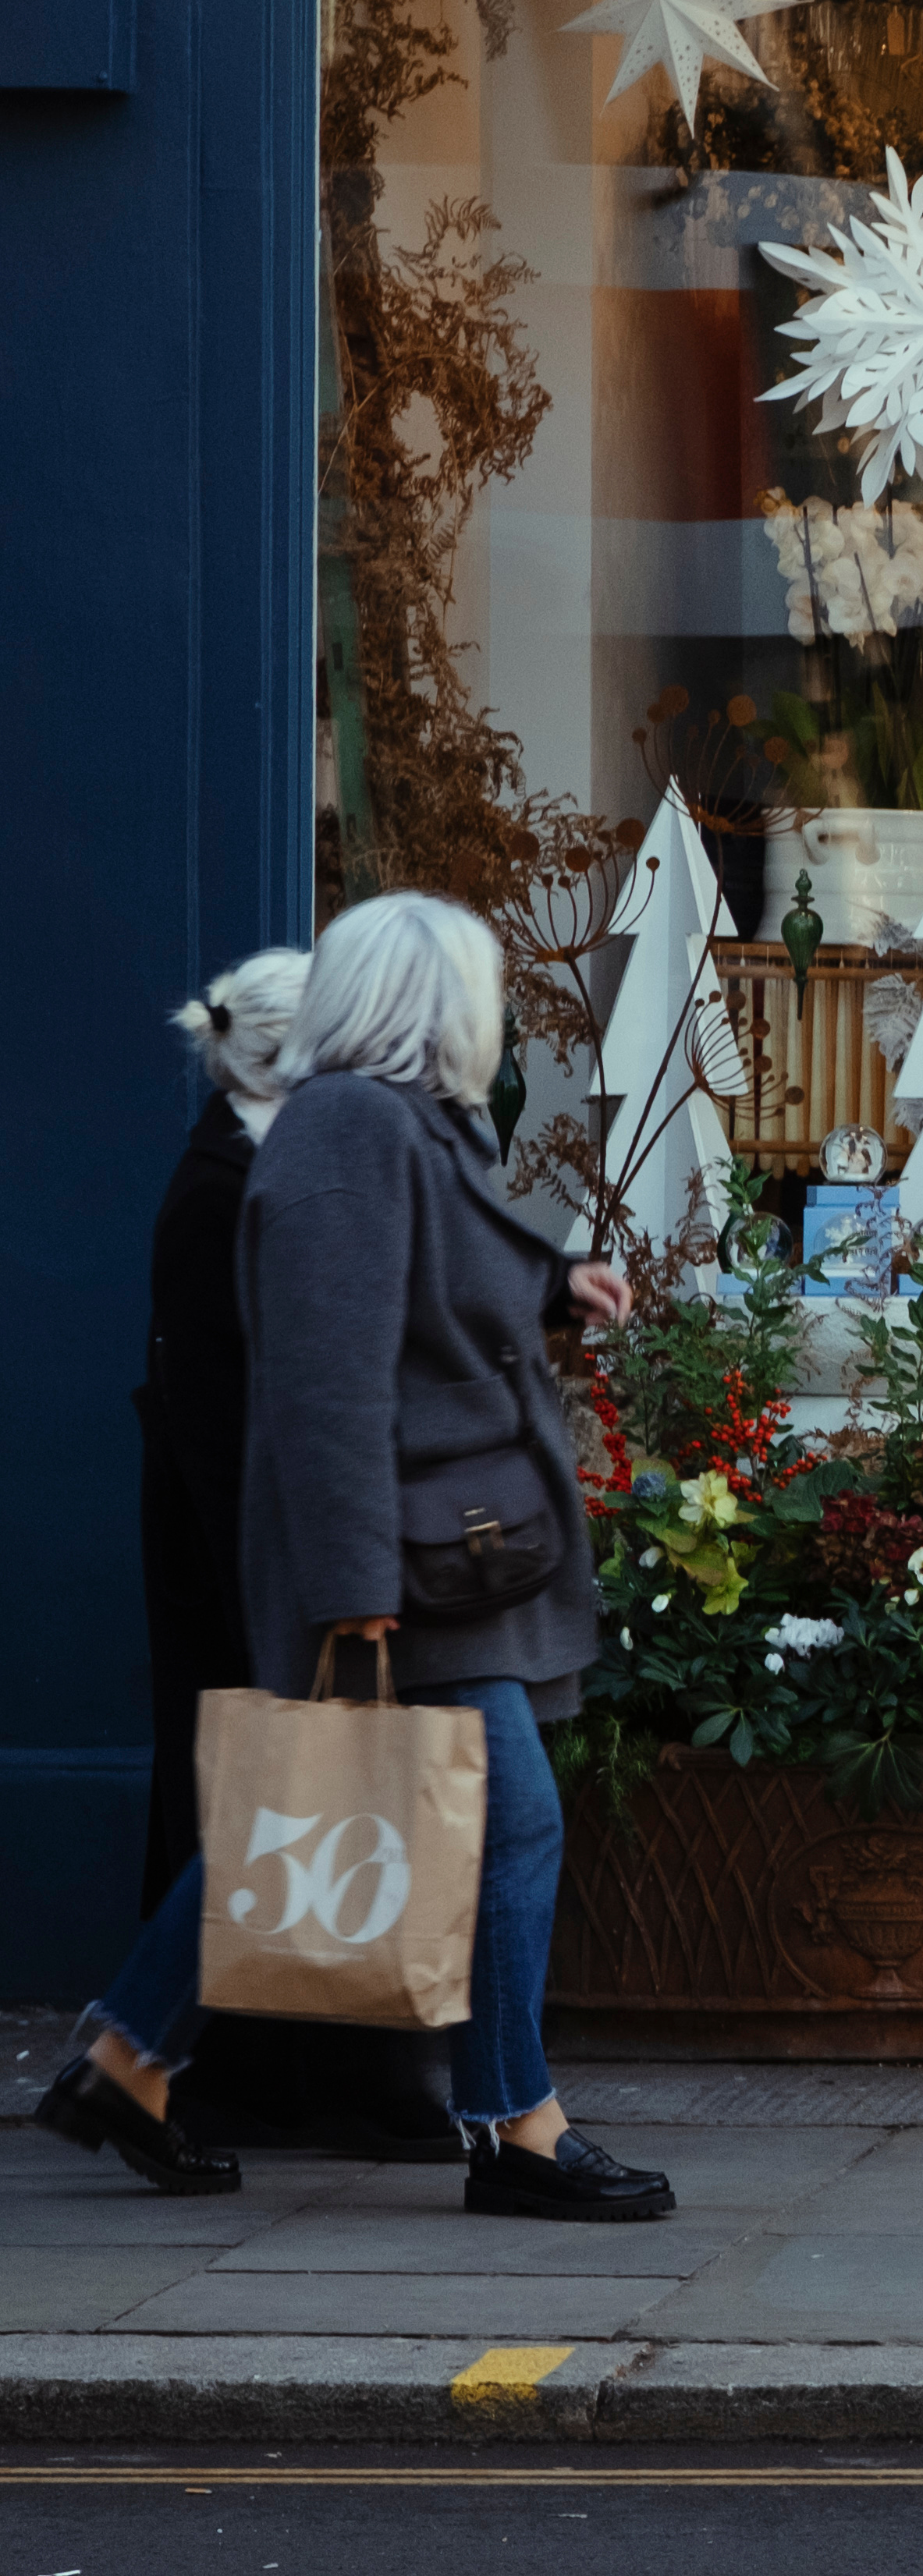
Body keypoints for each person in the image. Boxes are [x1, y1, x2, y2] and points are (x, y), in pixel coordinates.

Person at [53, 893, 674, 2222]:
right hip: (401, 1555)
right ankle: (516, 2127)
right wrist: (353, 1592)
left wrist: (555, 1288)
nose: (496, 1021)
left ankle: (124, 2057)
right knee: (507, 1818)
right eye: (481, 993)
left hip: (435, 1545)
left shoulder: (400, 1124)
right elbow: (329, 1384)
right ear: (431, 1004)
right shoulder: (347, 1129)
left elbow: (421, 1293)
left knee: (304, 1805)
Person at [41, 955, 461, 2175]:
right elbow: (238, 1411)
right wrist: (300, 1581)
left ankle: (273, 2077)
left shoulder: (258, 1166)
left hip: (268, 1545)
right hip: (247, 1556)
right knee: (277, 1802)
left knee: (294, 1804)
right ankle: (177, 2076)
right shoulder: (231, 1186)